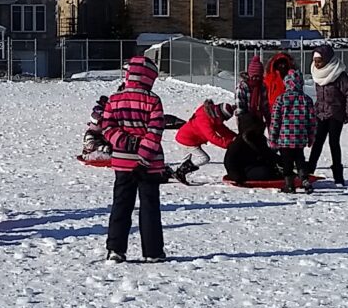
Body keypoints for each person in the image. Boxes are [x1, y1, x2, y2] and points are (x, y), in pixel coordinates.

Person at [101, 55, 167, 262]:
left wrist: (125, 142)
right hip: (149, 164)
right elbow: (155, 132)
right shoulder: (153, 100)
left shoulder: (114, 99)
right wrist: (144, 158)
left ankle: (116, 249)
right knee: (149, 207)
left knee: (121, 205)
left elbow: (107, 127)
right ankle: (153, 252)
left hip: (122, 161)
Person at [304, 48, 348, 185]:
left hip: (336, 114)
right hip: (321, 114)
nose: (317, 64)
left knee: (333, 143)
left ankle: (338, 175)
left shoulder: (338, 75)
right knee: (317, 142)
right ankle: (309, 171)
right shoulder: (317, 74)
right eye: (315, 61)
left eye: (320, 61)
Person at [270, 67, 316, 194]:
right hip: (300, 138)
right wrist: (311, 137)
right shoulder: (307, 100)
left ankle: (289, 184)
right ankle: (304, 179)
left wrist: (273, 139)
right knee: (300, 159)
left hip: (284, 138)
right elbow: (312, 121)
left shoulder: (281, 99)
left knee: (287, 162)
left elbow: (275, 121)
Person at [169, 99, 235, 184]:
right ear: (220, 115)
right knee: (204, 158)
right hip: (187, 140)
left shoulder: (212, 116)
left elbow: (223, 130)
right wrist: (229, 144)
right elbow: (212, 137)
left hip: (185, 137)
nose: (223, 121)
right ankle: (179, 173)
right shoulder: (204, 120)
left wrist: (235, 138)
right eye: (223, 119)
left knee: (185, 162)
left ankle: (175, 174)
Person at [223, 104, 283, 184]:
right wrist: (235, 175)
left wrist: (282, 160)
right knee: (265, 172)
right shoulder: (239, 142)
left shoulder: (260, 138)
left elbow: (267, 153)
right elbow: (229, 160)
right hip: (245, 170)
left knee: (278, 168)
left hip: (260, 165)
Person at [234, 55, 268, 127]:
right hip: (245, 121)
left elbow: (265, 106)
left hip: (259, 120)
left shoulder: (262, 86)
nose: (256, 79)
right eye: (254, 76)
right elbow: (240, 107)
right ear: (250, 75)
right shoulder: (242, 86)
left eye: (258, 76)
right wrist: (243, 123)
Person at [79, 93, 112, 163]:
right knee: (108, 156)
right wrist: (104, 148)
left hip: (100, 152)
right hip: (89, 155)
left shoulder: (100, 134)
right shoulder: (90, 134)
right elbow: (91, 145)